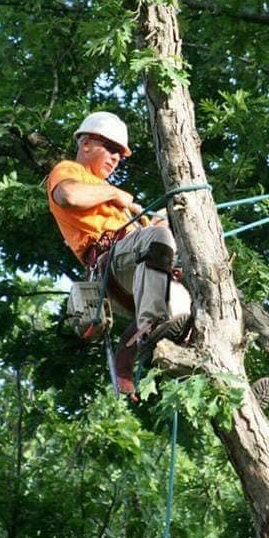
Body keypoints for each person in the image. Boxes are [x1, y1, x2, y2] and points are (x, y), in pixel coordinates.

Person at [47, 111, 191, 396]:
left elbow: (152, 236)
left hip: (139, 268)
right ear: (86, 143)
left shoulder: (115, 199)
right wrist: (113, 194)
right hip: (111, 264)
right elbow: (70, 197)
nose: (115, 158)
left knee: (189, 309)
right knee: (156, 238)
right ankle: (151, 324)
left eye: (119, 155)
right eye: (110, 149)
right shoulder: (69, 172)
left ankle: (206, 373)